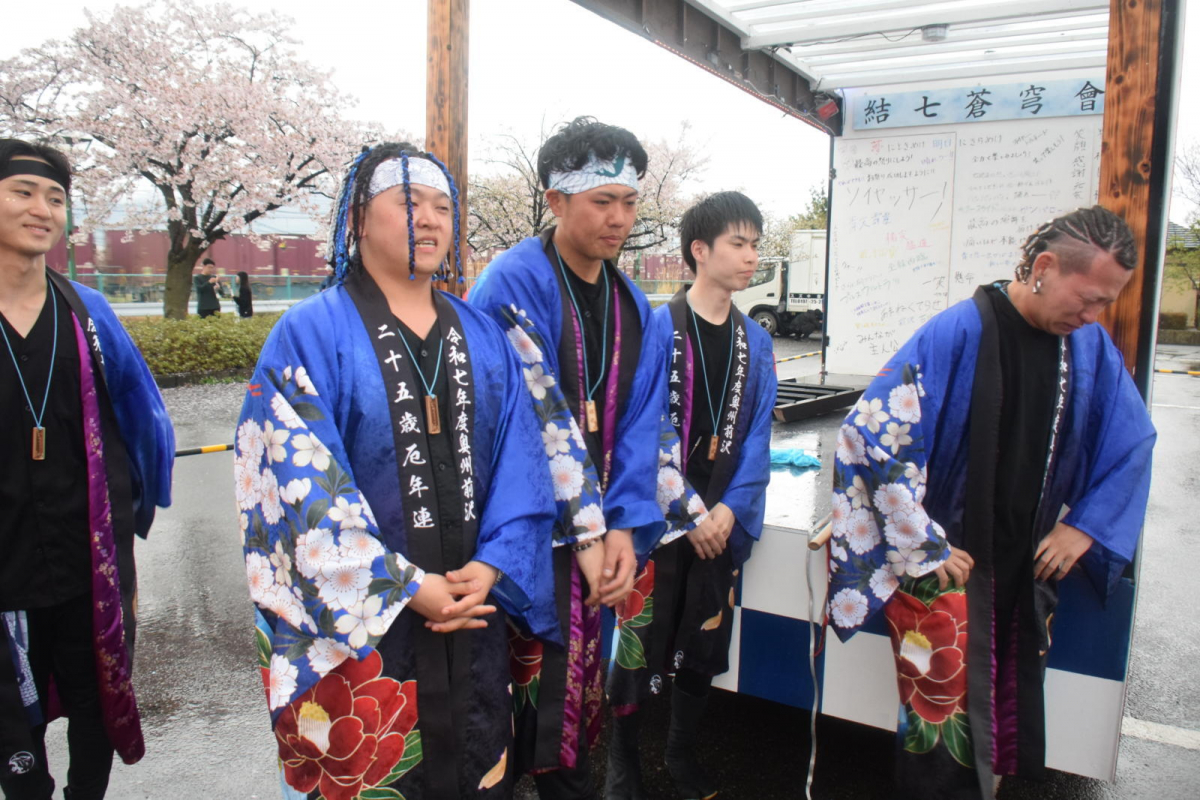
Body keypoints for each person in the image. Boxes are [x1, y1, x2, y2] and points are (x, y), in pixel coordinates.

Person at [235, 142, 557, 800]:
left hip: (474, 608)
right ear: (357, 220)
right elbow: (298, 491)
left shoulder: (484, 333)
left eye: (443, 206)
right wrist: (407, 586)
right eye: (409, 203)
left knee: (480, 772)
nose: (431, 220)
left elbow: (523, 461)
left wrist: (493, 565)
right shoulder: (308, 335)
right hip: (370, 629)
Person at [826, 206, 1156, 799]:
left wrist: (1085, 526)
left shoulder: (1087, 349)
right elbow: (869, 433)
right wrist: (925, 542)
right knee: (941, 723)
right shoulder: (958, 331)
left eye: (1105, 304)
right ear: (1045, 268)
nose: (1092, 315)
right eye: (1087, 299)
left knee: (1007, 705)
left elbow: (1133, 441)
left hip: (1027, 559)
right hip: (946, 563)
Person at [469, 117, 702, 798]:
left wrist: (626, 523)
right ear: (555, 201)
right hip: (518, 528)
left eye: (629, 203)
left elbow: (642, 424)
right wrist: (588, 530)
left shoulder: (633, 303)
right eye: (603, 201)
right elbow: (524, 422)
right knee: (512, 696)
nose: (620, 218)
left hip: (598, 530)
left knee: (575, 696)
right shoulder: (509, 285)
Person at [0, 139, 175, 800]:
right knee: (14, 735)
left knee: (95, 713)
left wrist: (134, 518)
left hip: (85, 563)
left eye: (55, 198)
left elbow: (143, 415)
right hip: (5, 568)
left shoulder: (88, 314)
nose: (42, 209)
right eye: (23, 192)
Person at [604, 192, 778, 800]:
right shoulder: (656, 328)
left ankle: (680, 751)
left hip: (722, 519)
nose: (752, 256)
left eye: (756, 243)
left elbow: (758, 437)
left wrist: (729, 510)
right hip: (659, 519)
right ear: (699, 251)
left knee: (704, 639)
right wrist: (690, 512)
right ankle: (622, 765)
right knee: (637, 643)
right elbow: (635, 428)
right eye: (739, 243)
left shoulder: (756, 342)